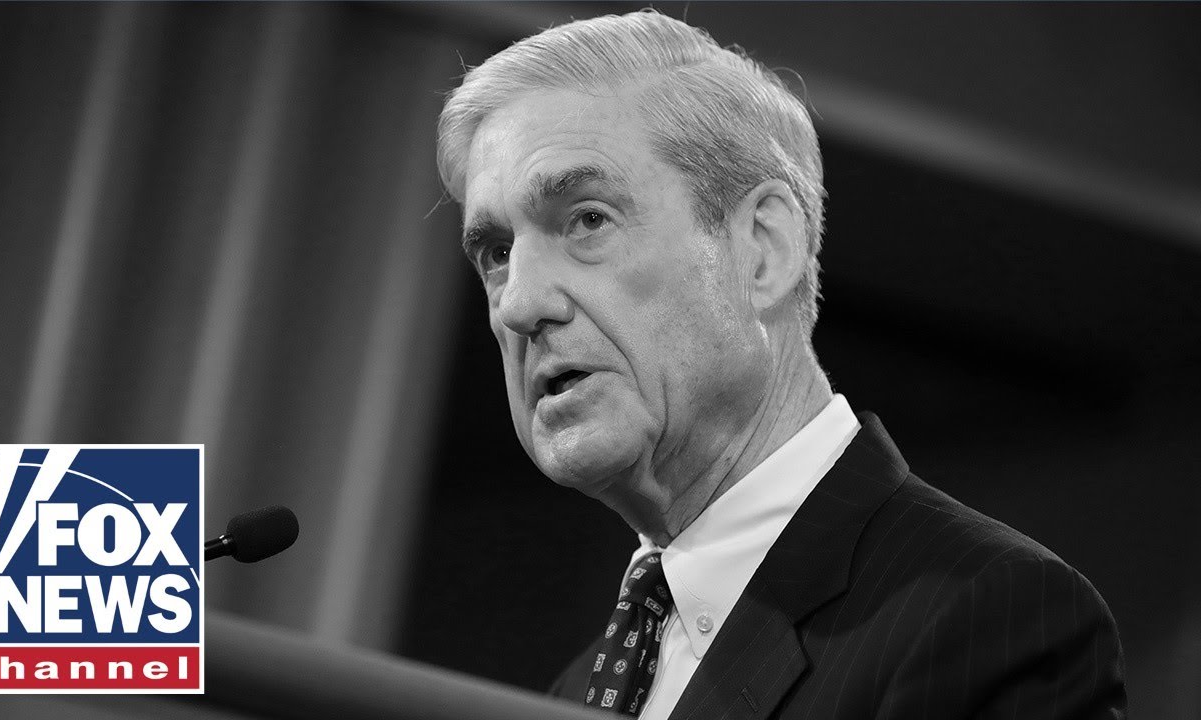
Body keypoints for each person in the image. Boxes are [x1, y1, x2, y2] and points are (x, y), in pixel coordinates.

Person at [435, 10, 1126, 719]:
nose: (518, 304)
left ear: (763, 250)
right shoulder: (574, 692)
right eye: (497, 253)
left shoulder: (985, 615)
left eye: (587, 220)